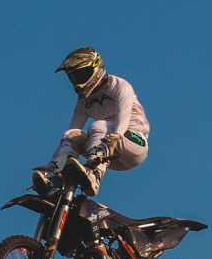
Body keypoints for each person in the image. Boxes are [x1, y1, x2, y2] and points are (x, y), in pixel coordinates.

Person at [33, 47, 149, 197]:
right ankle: (57, 179)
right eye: (73, 77)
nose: (77, 81)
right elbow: (72, 129)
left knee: (99, 125)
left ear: (95, 68)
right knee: (72, 134)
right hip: (108, 152)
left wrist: (118, 134)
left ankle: (94, 176)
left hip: (135, 143)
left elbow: (124, 112)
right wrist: (53, 161)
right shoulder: (84, 100)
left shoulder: (119, 85)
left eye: (81, 75)